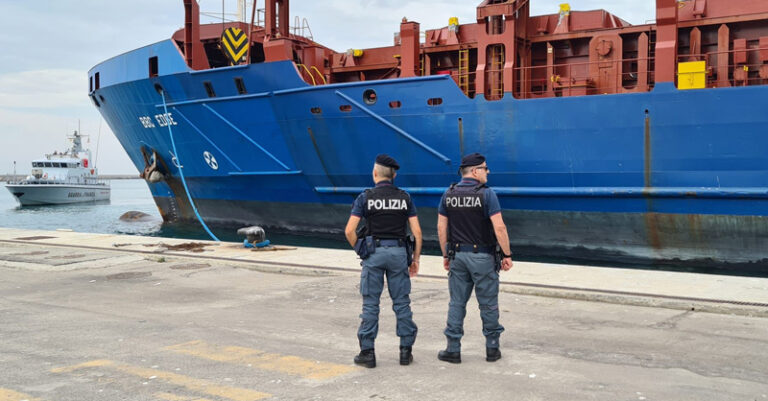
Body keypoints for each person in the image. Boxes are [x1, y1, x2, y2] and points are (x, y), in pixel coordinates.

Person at [344, 154, 422, 368]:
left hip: (374, 252)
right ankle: (406, 352)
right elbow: (416, 231)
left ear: (375, 173)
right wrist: (414, 259)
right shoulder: (404, 197)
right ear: (394, 175)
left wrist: (361, 250)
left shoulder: (365, 197)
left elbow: (350, 230)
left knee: (371, 304)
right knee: (402, 303)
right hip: (398, 254)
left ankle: (367, 353)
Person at [436, 152, 513, 364]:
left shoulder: (448, 193)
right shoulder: (487, 194)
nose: (488, 172)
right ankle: (492, 348)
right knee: (488, 303)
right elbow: (499, 227)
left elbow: (441, 228)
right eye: (485, 168)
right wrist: (506, 254)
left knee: (457, 303)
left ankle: (453, 349)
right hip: (483, 257)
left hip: (458, 256)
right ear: (475, 171)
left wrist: (445, 254)